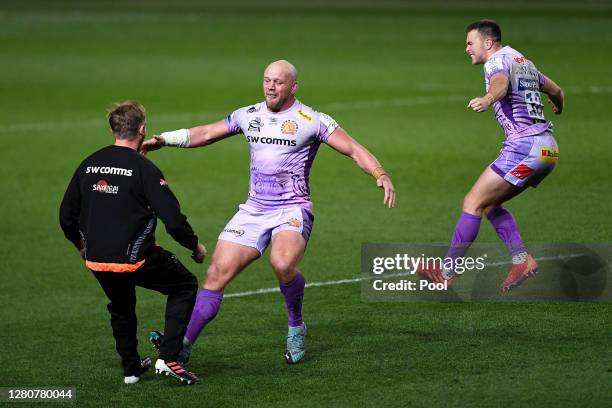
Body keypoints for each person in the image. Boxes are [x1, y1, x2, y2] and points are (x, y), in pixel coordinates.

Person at [141, 60, 396, 364]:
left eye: (278, 82)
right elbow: (207, 133)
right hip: (253, 210)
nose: (271, 87)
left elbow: (352, 148)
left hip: (292, 209)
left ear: (293, 86)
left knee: (283, 262)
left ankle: (295, 325)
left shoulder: (312, 119)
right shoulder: (249, 115)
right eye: (266, 80)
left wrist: (379, 173)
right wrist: (166, 139)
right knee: (216, 275)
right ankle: (181, 346)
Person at [59, 101, 208, 384]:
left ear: (113, 129)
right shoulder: (144, 168)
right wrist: (195, 246)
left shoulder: (89, 164)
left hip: (97, 259)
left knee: (121, 305)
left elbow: (66, 216)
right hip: (135, 258)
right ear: (142, 130)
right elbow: (173, 221)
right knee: (184, 285)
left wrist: (81, 245)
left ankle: (131, 369)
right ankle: (169, 357)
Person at [419, 20, 564, 291]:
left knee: (473, 201)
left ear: (488, 42)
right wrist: (557, 106)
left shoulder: (496, 62)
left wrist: (488, 99)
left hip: (525, 148)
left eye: (470, 43)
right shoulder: (524, 62)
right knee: (489, 204)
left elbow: (500, 83)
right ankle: (521, 259)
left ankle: (447, 273)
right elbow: (556, 91)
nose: (466, 49)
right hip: (548, 150)